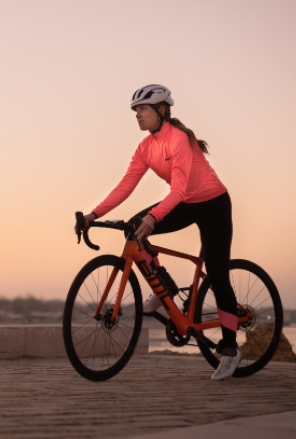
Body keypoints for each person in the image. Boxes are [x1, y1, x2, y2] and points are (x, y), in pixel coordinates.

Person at [78, 84, 241, 381]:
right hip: (185, 203)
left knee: (217, 275)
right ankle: (162, 287)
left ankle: (230, 350)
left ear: (162, 111)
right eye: (136, 110)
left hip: (213, 204)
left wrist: (154, 217)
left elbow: (178, 189)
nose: (137, 115)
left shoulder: (178, 139)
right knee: (134, 226)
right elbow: (126, 185)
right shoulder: (145, 147)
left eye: (142, 109)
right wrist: (94, 213)